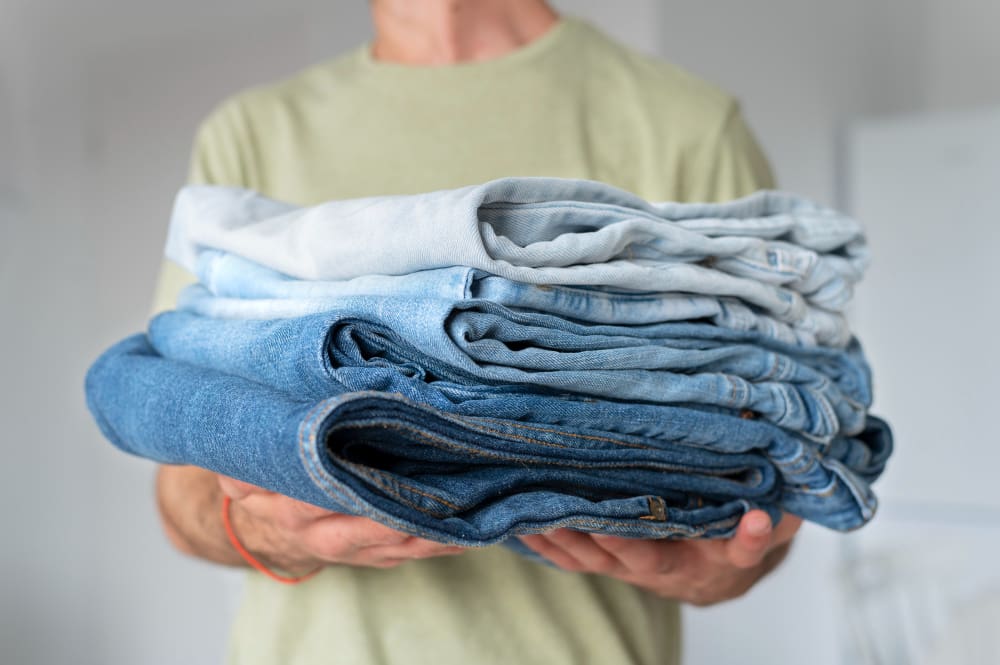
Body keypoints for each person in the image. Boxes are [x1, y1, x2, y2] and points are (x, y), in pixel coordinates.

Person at [152, 1, 802, 663]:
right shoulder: (252, 136)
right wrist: (274, 532)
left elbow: (778, 458)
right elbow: (180, 491)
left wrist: (721, 565)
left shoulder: (685, 127)